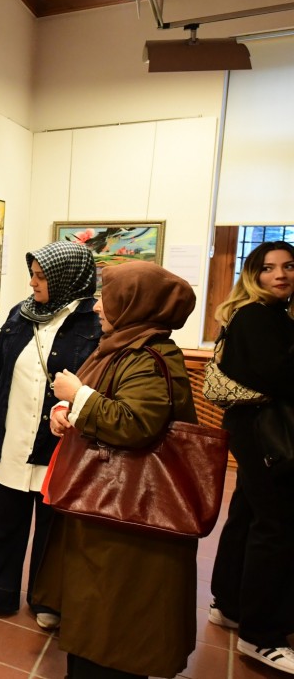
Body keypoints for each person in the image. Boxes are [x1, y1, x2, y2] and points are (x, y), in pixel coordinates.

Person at [34, 261, 199, 679]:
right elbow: (104, 398)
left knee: (115, 627)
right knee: (98, 617)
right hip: (108, 505)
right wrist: (66, 408)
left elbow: (136, 423)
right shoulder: (124, 346)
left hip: (129, 517)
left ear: (135, 304)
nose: (97, 307)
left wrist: (78, 397)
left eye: (108, 298)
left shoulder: (149, 357)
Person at [0, 241, 100, 631]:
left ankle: (49, 598)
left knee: (55, 527)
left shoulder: (95, 323)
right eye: (32, 275)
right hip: (14, 434)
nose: (32, 283)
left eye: (41, 277)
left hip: (60, 442)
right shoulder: (21, 313)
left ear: (66, 278)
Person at [207, 240, 294, 675]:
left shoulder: (262, 314)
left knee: (247, 514)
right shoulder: (260, 316)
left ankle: (230, 604)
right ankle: (261, 635)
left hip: (253, 429)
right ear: (253, 274)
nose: (280, 275)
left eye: (289, 267)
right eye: (269, 267)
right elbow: (282, 377)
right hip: (264, 433)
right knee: (275, 526)